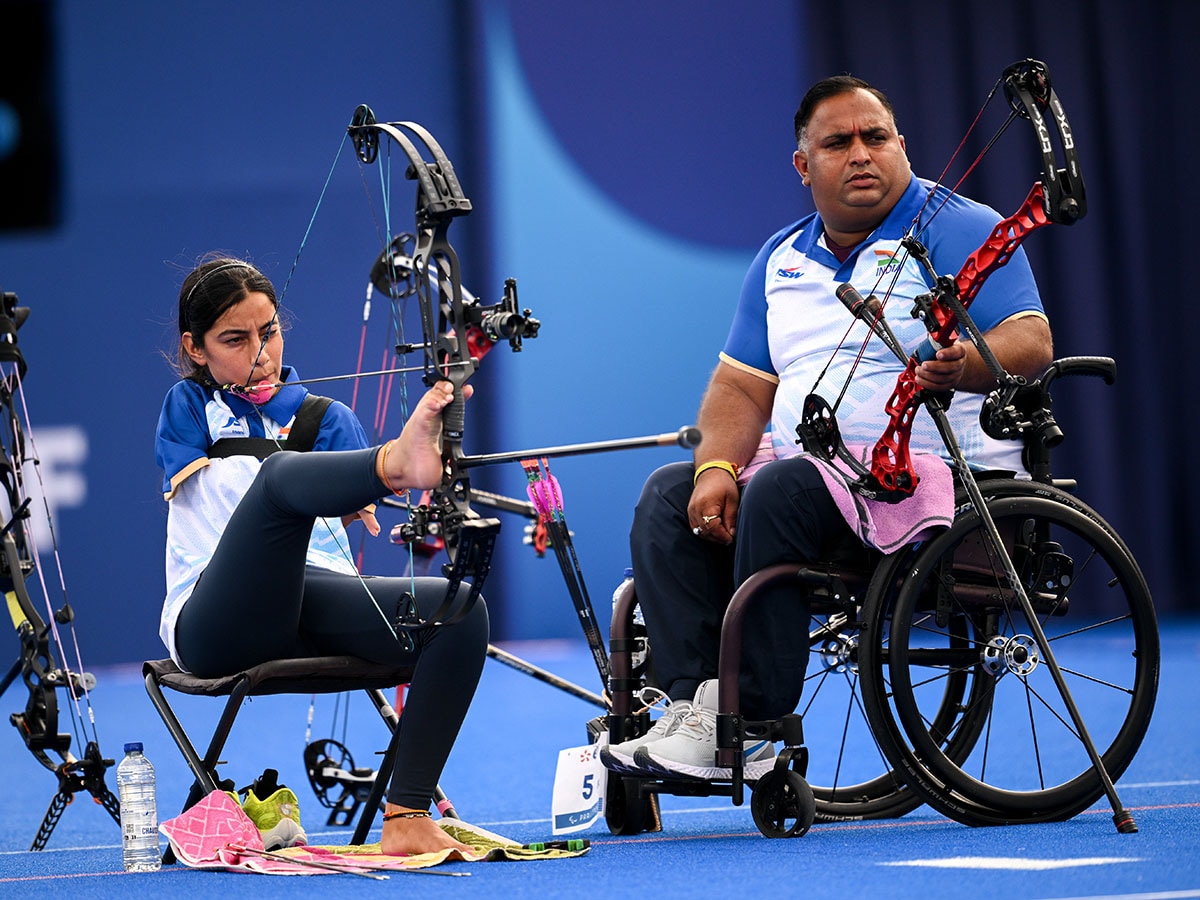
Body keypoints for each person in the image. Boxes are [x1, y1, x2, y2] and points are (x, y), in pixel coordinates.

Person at [603, 76, 1053, 781]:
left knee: (784, 485)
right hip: (823, 485)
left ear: (902, 144)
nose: (861, 155)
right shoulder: (779, 259)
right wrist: (717, 469)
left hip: (939, 484)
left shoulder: (963, 227)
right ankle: (694, 710)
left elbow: (1032, 340)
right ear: (803, 164)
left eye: (876, 138)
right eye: (838, 143)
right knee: (670, 492)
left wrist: (963, 362)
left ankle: (752, 721)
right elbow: (740, 385)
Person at [155, 256, 489, 856]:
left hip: (310, 612)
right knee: (280, 479)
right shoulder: (186, 407)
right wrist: (384, 468)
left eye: (270, 332)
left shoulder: (328, 417)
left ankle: (407, 815)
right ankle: (395, 463)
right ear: (195, 348)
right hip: (215, 623)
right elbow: (265, 490)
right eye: (235, 339)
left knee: (458, 610)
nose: (260, 354)